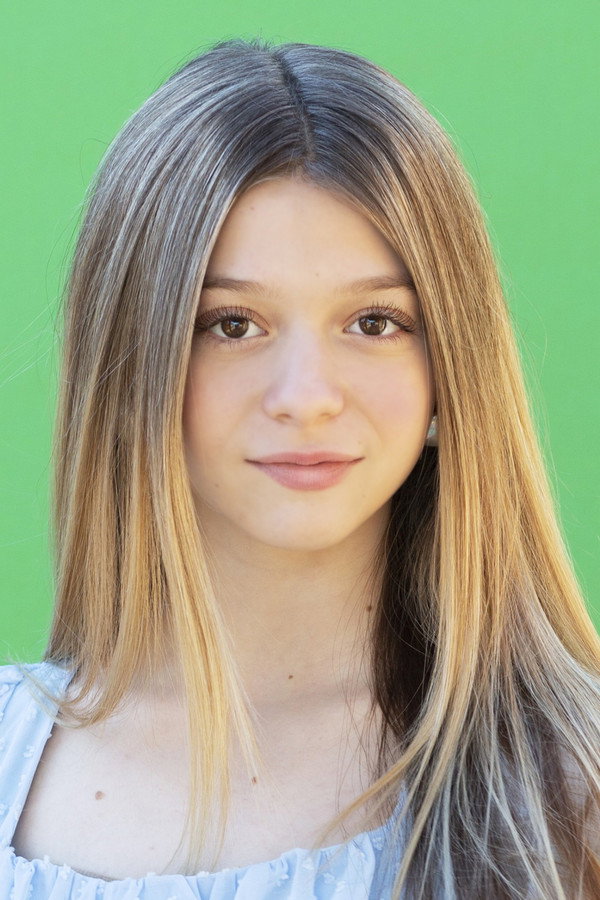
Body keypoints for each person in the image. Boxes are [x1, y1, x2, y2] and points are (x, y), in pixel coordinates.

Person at [0, 36, 598, 900]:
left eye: (374, 322)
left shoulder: (574, 789)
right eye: (233, 324)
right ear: (132, 362)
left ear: (448, 367)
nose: (308, 396)